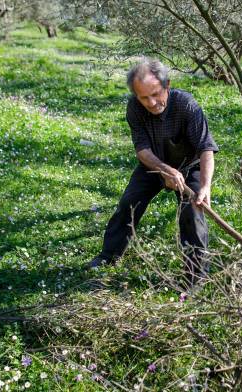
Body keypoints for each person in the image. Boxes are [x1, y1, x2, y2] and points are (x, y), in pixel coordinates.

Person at [87, 58, 219, 288]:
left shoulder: (187, 105)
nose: (152, 102)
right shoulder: (134, 108)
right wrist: (164, 170)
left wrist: (205, 186)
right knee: (129, 202)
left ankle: (195, 276)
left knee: (192, 213)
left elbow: (206, 148)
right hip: (154, 163)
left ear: (167, 86)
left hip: (190, 166)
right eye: (144, 97)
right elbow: (142, 150)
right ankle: (108, 256)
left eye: (156, 94)